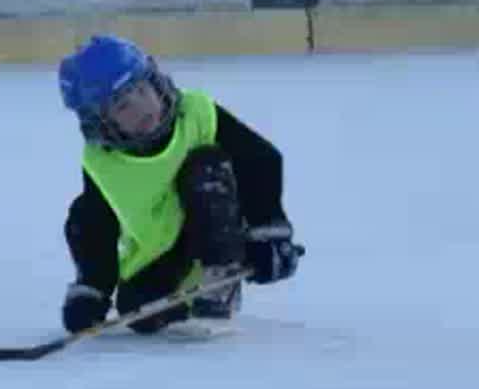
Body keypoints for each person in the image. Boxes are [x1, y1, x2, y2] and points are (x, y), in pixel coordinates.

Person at [52, 34, 306, 339]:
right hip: (165, 252)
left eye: (142, 90)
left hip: (218, 232)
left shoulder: (197, 114)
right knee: (136, 310)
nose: (142, 107)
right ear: (99, 122)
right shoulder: (103, 163)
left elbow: (259, 160)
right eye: (122, 106)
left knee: (206, 165)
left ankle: (222, 279)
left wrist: (269, 232)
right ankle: (188, 300)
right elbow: (95, 224)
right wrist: (92, 289)